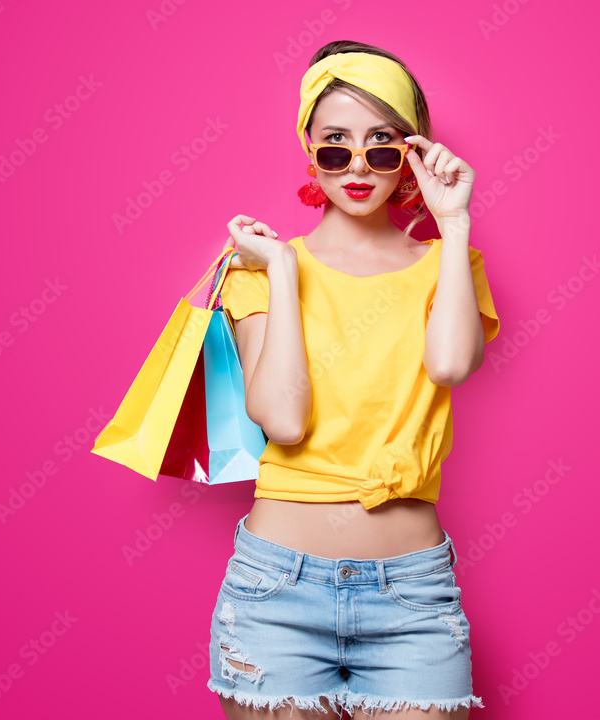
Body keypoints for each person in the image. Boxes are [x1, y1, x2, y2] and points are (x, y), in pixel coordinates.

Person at [207, 40, 500, 719]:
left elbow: (451, 364)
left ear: (413, 152)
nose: (359, 165)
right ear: (308, 148)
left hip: (413, 598)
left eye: (383, 143)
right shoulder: (259, 269)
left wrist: (453, 224)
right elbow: (283, 420)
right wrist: (282, 271)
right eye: (336, 144)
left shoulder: (450, 265)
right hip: (274, 591)